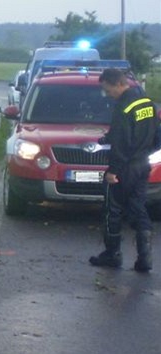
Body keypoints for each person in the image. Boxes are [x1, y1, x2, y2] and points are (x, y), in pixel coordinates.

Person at [89, 68, 159, 272]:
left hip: (124, 167)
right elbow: (155, 135)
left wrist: (113, 170)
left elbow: (121, 142)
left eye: (108, 89)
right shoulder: (147, 103)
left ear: (119, 84)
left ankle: (112, 254)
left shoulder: (124, 107)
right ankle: (145, 259)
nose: (108, 94)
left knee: (113, 209)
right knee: (138, 207)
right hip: (142, 164)